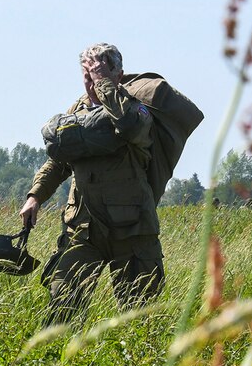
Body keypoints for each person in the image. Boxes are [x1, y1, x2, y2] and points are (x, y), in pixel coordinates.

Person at [19, 43, 164, 326]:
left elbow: (129, 127)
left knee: (139, 319)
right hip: (84, 229)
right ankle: (57, 364)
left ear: (118, 74)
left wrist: (105, 87)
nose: (91, 80)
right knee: (62, 309)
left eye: (99, 72)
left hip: (131, 229)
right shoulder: (75, 111)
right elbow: (59, 162)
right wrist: (35, 196)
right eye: (87, 73)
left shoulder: (137, 110)